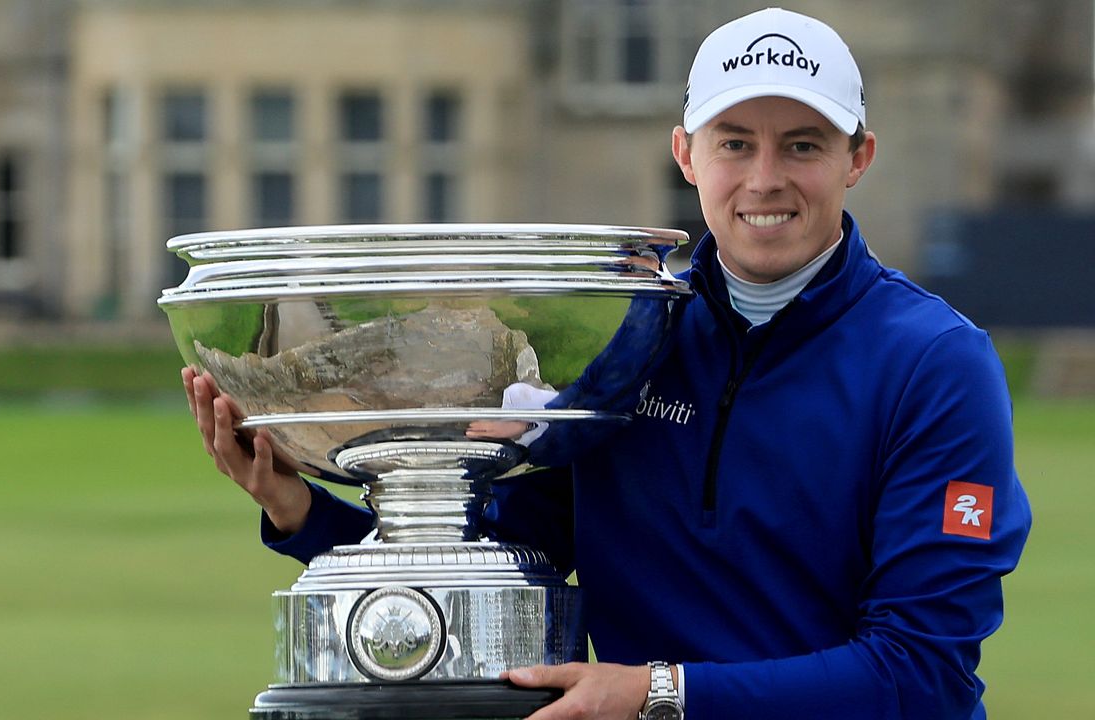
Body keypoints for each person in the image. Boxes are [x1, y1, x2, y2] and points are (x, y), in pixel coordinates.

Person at [182, 8, 1030, 719]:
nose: (765, 179)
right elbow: (503, 566)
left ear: (858, 158)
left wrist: (660, 694)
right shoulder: (625, 334)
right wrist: (300, 511)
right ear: (685, 154)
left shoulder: (936, 363)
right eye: (735, 143)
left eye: (803, 145)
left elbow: (923, 673)